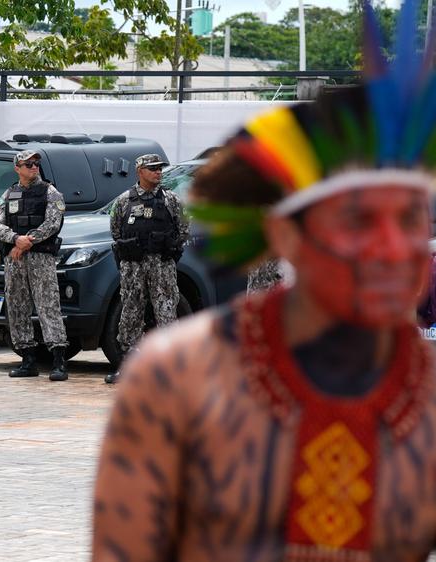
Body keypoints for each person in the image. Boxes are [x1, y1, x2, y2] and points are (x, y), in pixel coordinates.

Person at [92, 4, 436, 559]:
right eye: (358, 220)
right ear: (286, 237)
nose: (394, 249)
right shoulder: (177, 380)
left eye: (411, 218)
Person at [108, 154, 189, 384]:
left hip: (161, 266)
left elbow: (184, 229)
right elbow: (115, 230)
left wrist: (167, 246)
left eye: (160, 168)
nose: (158, 172)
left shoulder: (172, 200)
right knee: (130, 312)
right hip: (133, 267)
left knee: (166, 312)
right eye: (152, 169)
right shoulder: (124, 201)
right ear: (140, 171)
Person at [0, 150, 68, 381]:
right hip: (15, 260)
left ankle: (58, 361)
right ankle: (28, 360)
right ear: (17, 168)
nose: (34, 167)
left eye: (36, 164)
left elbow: (53, 223)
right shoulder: (8, 194)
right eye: (28, 164)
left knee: (48, 305)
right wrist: (15, 239)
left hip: (40, 259)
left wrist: (28, 241)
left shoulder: (50, 192)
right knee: (17, 306)